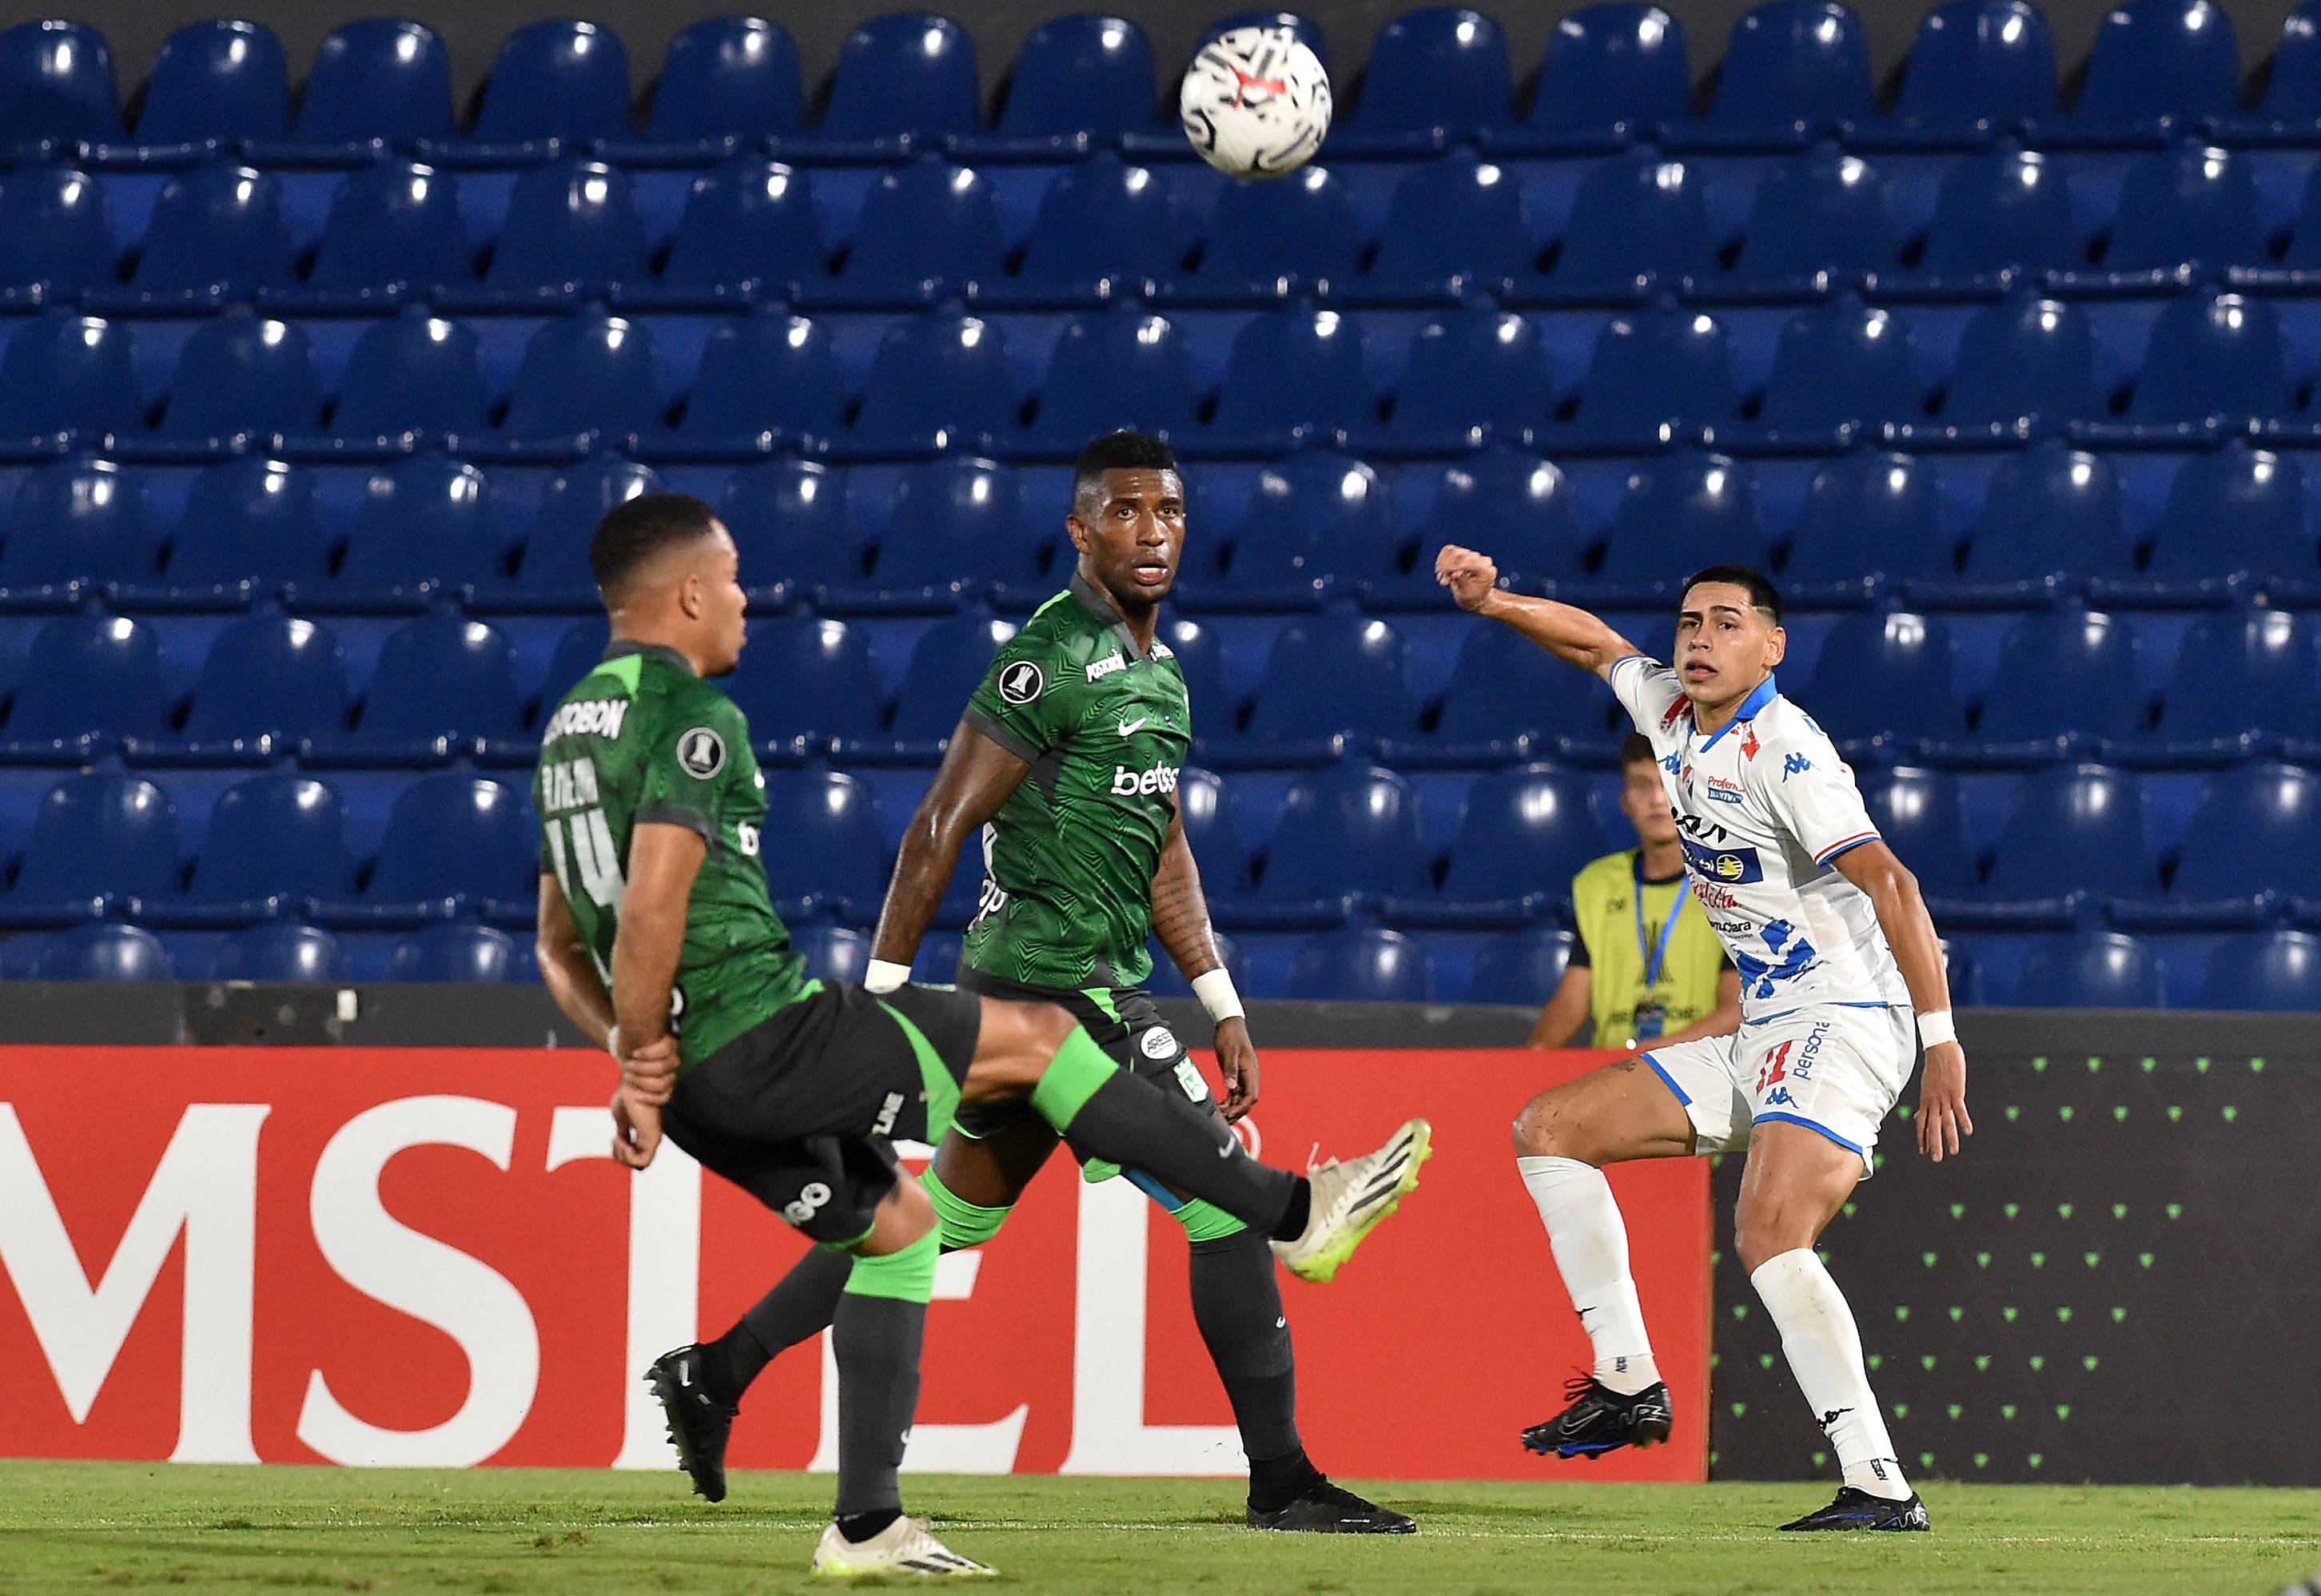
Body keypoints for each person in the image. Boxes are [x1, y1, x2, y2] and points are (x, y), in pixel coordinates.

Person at [531, 491, 1432, 1577]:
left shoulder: (571, 727)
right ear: (684, 593)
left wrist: (636, 1066)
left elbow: (557, 936)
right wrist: (866, 996)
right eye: (728, 579)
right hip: (846, 1015)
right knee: (1104, 1096)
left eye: (1177, 511)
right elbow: (661, 911)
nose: (743, 598)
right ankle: (1295, 1244)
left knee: (915, 1222)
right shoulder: (709, 717)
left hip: (701, 1080)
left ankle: (796, 1452)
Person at [1435, 544, 1971, 1533]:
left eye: (1728, 623)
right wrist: (1494, 599)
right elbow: (1595, 645)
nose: (1701, 638)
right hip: (1767, 1022)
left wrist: (1940, 1040)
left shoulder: (1788, 751)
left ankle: (1879, 1481)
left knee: (1769, 1231)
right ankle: (1630, 1379)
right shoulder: (1672, 716)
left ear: (1772, 647)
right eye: (1689, 621)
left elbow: (1894, 884)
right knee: (1548, 1126)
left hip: (1847, 1016)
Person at [1528, 732, 1742, 1052]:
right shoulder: (1597, 883)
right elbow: (1572, 1001)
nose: (1656, 799)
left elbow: (1737, 1008)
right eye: (1642, 785)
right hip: (1612, 1073)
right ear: (1625, 801)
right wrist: (1534, 1057)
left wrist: (1653, 1057)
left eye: (1668, 784)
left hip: (1697, 1071)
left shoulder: (1729, 882)